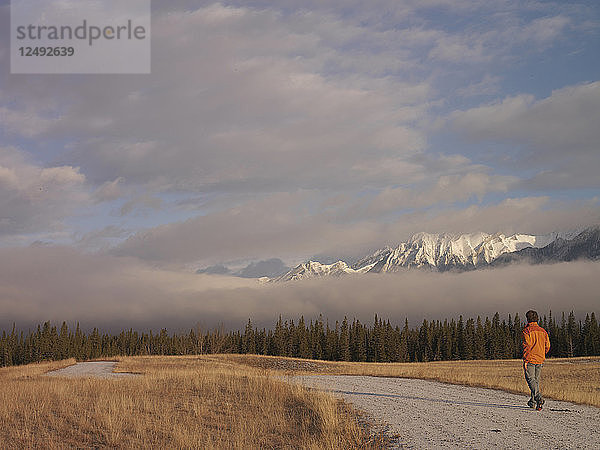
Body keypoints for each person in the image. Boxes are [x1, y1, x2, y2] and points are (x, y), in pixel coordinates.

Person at [522, 310, 550, 410]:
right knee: (536, 381)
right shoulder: (543, 331)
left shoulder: (527, 331)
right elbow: (548, 345)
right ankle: (533, 402)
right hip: (540, 359)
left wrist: (525, 357)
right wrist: (542, 353)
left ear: (527, 319)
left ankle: (538, 398)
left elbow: (527, 345)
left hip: (530, 359)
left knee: (530, 380)